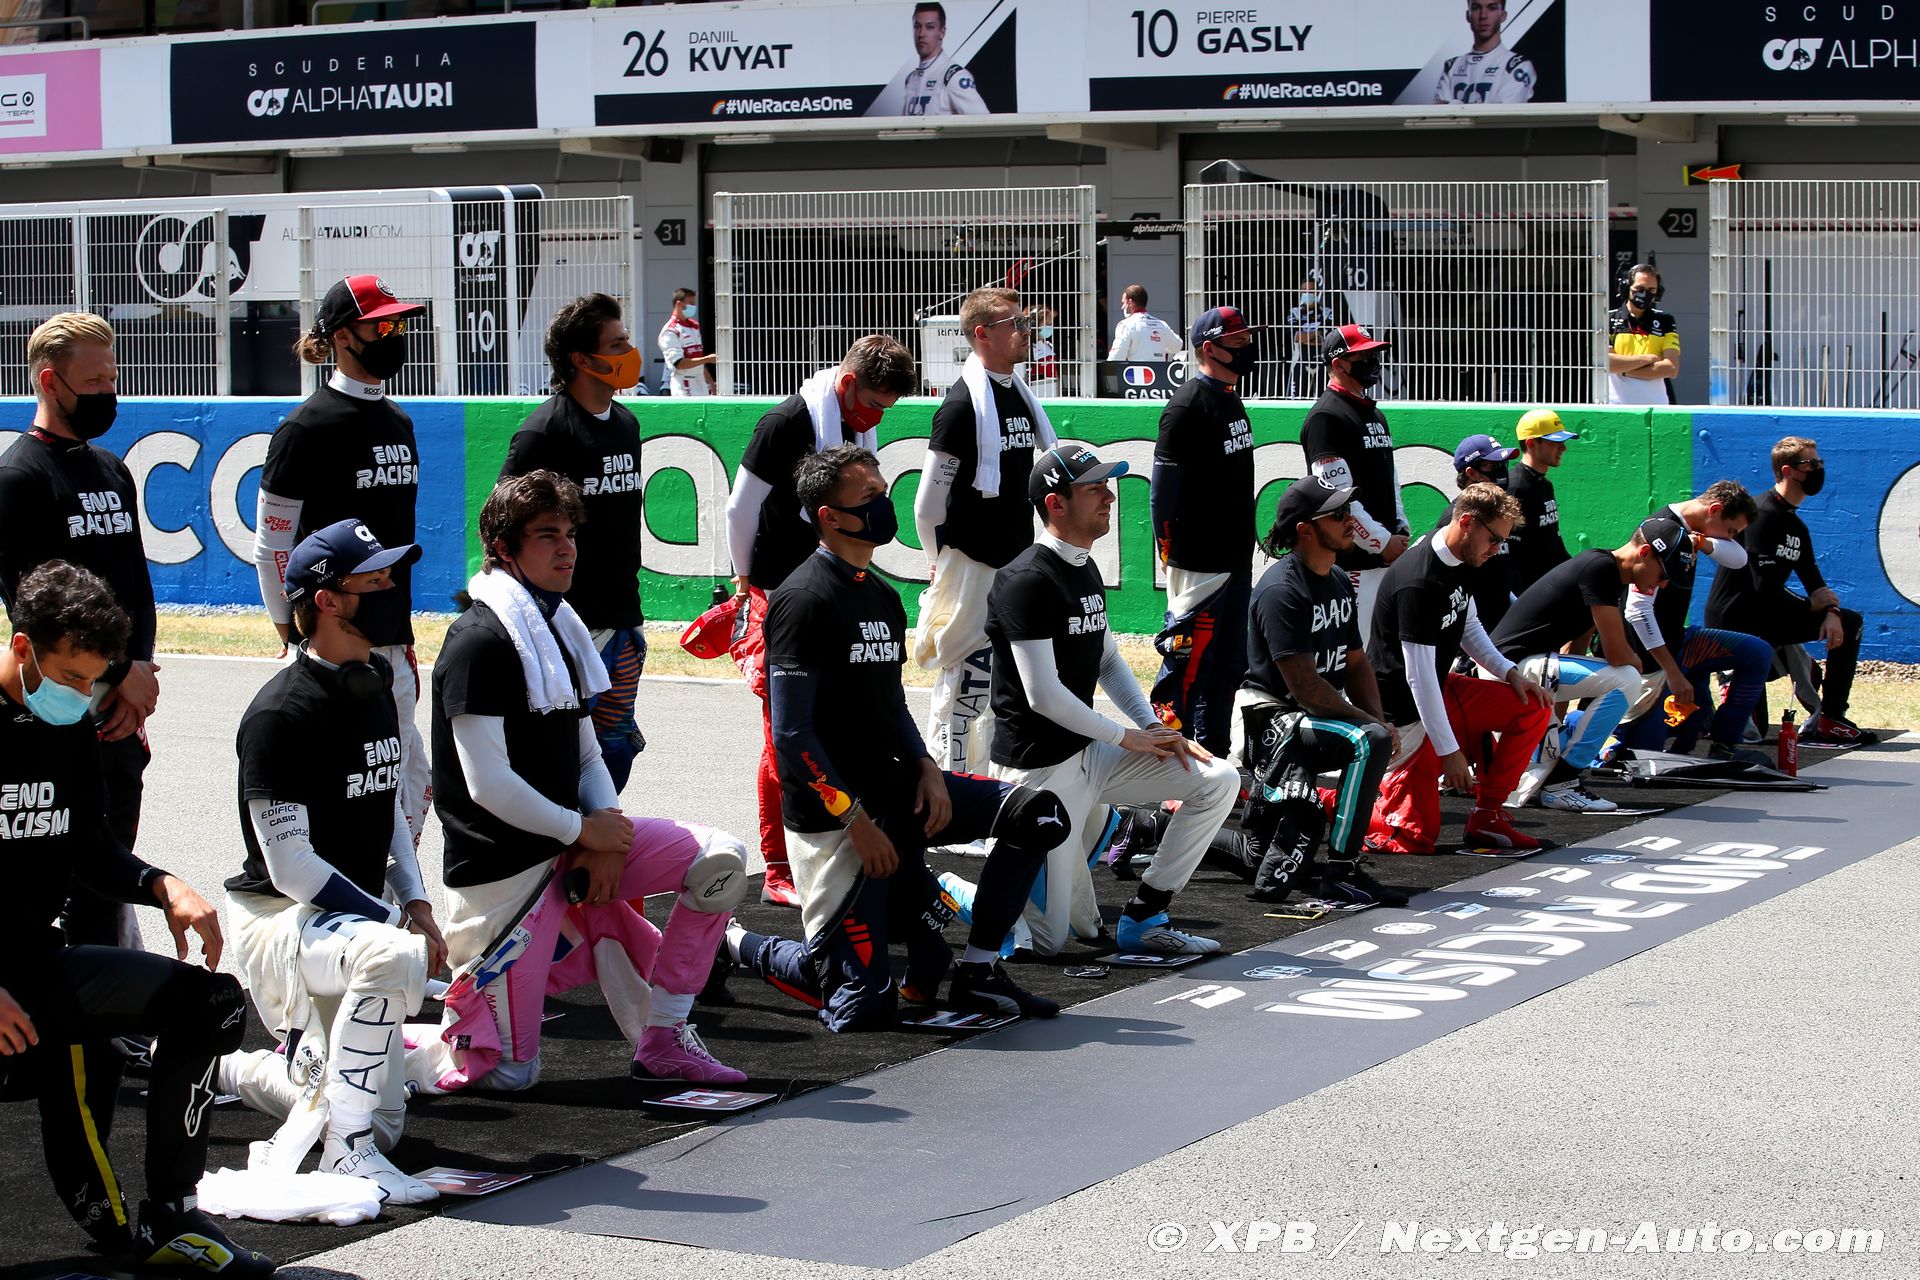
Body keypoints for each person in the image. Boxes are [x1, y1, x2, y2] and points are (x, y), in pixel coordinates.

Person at [726, 445, 1069, 1027]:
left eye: (883, 493)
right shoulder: (803, 599)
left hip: (897, 797)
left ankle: (978, 973)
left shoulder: (881, 595)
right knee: (860, 1005)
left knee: (1038, 815)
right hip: (837, 822)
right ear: (829, 516)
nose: (885, 506)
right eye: (870, 497)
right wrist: (855, 823)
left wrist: (927, 768)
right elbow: (791, 735)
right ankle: (733, 944)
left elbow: (891, 707)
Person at [426, 471, 749, 1089]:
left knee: (720, 859)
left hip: (568, 847)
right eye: (547, 535)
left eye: (570, 534)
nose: (567, 548)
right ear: (503, 547)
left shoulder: (557, 626)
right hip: (503, 872)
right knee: (503, 1074)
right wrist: (583, 833)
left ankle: (665, 1039)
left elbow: (585, 755)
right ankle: (370, 1052)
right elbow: (487, 784)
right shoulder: (478, 642)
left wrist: (607, 833)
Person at [0, 561, 272, 1276]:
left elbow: (90, 848)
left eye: (93, 681)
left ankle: (174, 1215)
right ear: (23, 647)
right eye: (69, 676)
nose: (80, 696)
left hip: (35, 966)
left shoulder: (67, 725)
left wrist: (161, 884)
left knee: (209, 1003)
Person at [219, 520, 443, 1205]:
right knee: (387, 957)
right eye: (375, 580)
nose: (393, 590)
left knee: (384, 1120)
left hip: (347, 921)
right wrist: (390, 925)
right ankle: (347, 1155)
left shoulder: (375, 679)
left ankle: (228, 1070)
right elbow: (289, 868)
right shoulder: (278, 716)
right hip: (279, 919)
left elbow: (388, 807)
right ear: (327, 600)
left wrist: (417, 904)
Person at [985, 445, 1237, 956]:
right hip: (1038, 775)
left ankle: (1145, 916)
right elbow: (1043, 695)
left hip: (1089, 755)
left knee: (1218, 779)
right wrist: (1128, 737)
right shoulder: (1025, 580)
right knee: (1049, 941)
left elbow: (1106, 661)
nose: (1109, 497)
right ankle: (941, 889)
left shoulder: (1084, 567)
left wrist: (1156, 729)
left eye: (1108, 485)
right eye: (1094, 487)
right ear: (1056, 503)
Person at [727, 335, 918, 904]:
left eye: (886, 410)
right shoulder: (786, 422)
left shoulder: (857, 428)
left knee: (840, 724)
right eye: (873, 404)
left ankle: (843, 841)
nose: (876, 418)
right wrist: (745, 582)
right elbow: (740, 506)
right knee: (783, 733)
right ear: (848, 383)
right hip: (782, 594)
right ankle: (779, 868)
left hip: (833, 587)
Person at [254, 274, 431, 850]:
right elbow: (272, 543)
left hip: (392, 637)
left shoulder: (400, 421)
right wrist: (291, 629)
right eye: (381, 326)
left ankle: (396, 900)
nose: (394, 335)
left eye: (398, 324)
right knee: (343, 791)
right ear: (342, 337)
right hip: (332, 642)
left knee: (408, 788)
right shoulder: (303, 428)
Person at [0, 312, 158, 952]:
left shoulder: (113, 471)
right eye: (93, 381)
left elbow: (137, 584)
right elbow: (32, 608)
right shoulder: (19, 478)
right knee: (62, 871)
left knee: (112, 857)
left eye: (112, 378)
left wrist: (139, 671)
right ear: (50, 381)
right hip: (63, 703)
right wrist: (116, 674)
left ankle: (107, 986)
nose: (107, 391)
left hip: (124, 703)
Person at [501, 293, 650, 791]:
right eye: (618, 344)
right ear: (583, 360)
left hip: (623, 616)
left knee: (616, 742)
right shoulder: (543, 433)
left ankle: (600, 829)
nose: (630, 351)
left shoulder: (626, 424)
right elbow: (502, 524)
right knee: (566, 749)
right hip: (567, 623)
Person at [1236, 476, 1405, 907]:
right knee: (1370, 741)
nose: (1350, 520)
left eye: (1348, 511)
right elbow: (1307, 688)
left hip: (1313, 718)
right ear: (1305, 530)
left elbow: (1356, 662)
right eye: (1338, 514)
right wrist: (1372, 725)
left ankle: (1150, 826)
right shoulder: (1281, 590)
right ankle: (1342, 872)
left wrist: (1378, 717)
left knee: (1258, 856)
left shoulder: (1337, 580)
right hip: (1275, 721)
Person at [1364, 483, 1556, 855]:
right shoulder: (1419, 581)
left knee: (1533, 705)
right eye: (1494, 539)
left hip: (1440, 692)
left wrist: (1509, 672)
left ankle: (1488, 815)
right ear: (1466, 522)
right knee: (1414, 839)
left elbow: (1468, 624)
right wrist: (1449, 750)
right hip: (1404, 716)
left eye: (1503, 541)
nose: (1497, 549)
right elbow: (1417, 677)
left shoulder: (1463, 554)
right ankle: (1323, 800)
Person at [914, 286, 1057, 776]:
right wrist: (937, 562)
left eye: (1024, 322)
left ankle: (990, 783)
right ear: (982, 335)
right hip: (971, 564)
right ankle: (949, 785)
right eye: (1014, 324)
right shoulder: (960, 406)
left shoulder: (1017, 393)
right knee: (964, 683)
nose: (1025, 331)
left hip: (1014, 561)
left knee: (1006, 682)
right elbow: (927, 506)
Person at [1489, 519, 1684, 811]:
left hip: (1525, 669)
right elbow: (1617, 655)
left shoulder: (1606, 572)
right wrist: (1633, 659)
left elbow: (1574, 647)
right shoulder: (1601, 569)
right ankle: (1563, 782)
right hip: (1510, 671)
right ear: (1644, 552)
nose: (1664, 583)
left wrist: (1552, 721)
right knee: (1627, 678)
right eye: (1664, 572)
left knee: (1612, 687)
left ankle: (1556, 775)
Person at [1704, 436, 1877, 746]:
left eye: (1820, 463)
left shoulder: (1796, 526)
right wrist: (1810, 605)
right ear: (1788, 470)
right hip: (1735, 621)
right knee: (1750, 733)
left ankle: (1831, 718)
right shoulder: (1760, 515)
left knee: (1849, 622)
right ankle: (1723, 691)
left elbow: (1814, 580)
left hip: (1766, 617)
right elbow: (1762, 587)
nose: (1818, 469)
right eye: (1811, 464)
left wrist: (1831, 612)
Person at [1617, 482, 1772, 759]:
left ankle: (1724, 744)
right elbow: (1637, 611)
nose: (1731, 538)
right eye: (1731, 531)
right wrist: (1673, 673)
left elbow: (1739, 559)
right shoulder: (1662, 530)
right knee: (1643, 754)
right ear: (1715, 510)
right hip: (1649, 659)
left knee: (1758, 652)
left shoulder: (1694, 534)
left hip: (1680, 641)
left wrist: (1702, 542)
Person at [1300, 321, 1407, 649]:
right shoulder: (1326, 417)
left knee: (1383, 653)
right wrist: (1380, 542)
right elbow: (1338, 495)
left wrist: (1399, 527)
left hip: (1386, 557)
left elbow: (1390, 477)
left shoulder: (1374, 414)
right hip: (1354, 563)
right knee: (1353, 655)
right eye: (1363, 356)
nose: (1373, 363)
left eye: (1374, 354)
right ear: (1339, 364)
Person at [1440, 433, 1520, 635]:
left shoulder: (1497, 513)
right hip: (1474, 636)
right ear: (1471, 473)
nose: (1501, 471)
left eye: (1503, 464)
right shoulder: (1455, 520)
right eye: (1492, 465)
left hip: (1500, 630)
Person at [866, 2, 990, 117]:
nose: (921, 34)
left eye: (929, 27)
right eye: (917, 26)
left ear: (942, 32)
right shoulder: (911, 79)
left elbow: (984, 123)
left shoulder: (954, 76)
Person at [1505, 408, 1576, 597]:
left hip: (1548, 591)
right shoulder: (1516, 487)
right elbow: (1509, 553)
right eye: (1555, 442)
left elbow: (1554, 543)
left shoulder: (1545, 484)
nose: (1563, 448)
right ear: (1531, 443)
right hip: (1528, 596)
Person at [1425, 0, 1538, 104]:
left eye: (1492, 8)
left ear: (1503, 16)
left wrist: (1453, 106)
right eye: (1476, 8)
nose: (1483, 15)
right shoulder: (1451, 66)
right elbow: (1439, 113)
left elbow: (1502, 114)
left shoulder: (1518, 65)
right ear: (1468, 16)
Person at [1607, 263, 1680, 406]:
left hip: (1656, 407)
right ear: (1626, 287)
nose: (1645, 294)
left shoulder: (1665, 321)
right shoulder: (1607, 319)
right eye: (1639, 289)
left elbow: (1671, 368)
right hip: (1616, 407)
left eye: (1651, 290)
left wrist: (1623, 370)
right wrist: (1649, 358)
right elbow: (1608, 364)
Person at [658, 288, 716, 397]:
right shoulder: (670, 330)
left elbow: (698, 358)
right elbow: (679, 364)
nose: (694, 307)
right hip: (684, 385)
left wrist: (711, 383)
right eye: (691, 304)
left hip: (701, 383)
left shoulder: (694, 326)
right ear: (679, 304)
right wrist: (708, 359)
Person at [1107, 284, 1184, 364]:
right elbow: (1177, 346)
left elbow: (1116, 358)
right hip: (1160, 371)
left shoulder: (1126, 325)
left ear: (1130, 302)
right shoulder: (1162, 325)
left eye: (1124, 303)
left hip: (1135, 371)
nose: (1122, 307)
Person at [1284, 278, 1331, 397]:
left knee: (1323, 399)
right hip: (1299, 361)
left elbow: (1327, 340)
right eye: (1304, 290)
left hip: (1322, 361)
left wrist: (1307, 337)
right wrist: (1318, 332)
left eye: (1311, 290)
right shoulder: (1294, 312)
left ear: (1317, 292)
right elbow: (1297, 337)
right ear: (1300, 292)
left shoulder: (1327, 312)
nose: (1307, 293)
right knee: (1296, 399)